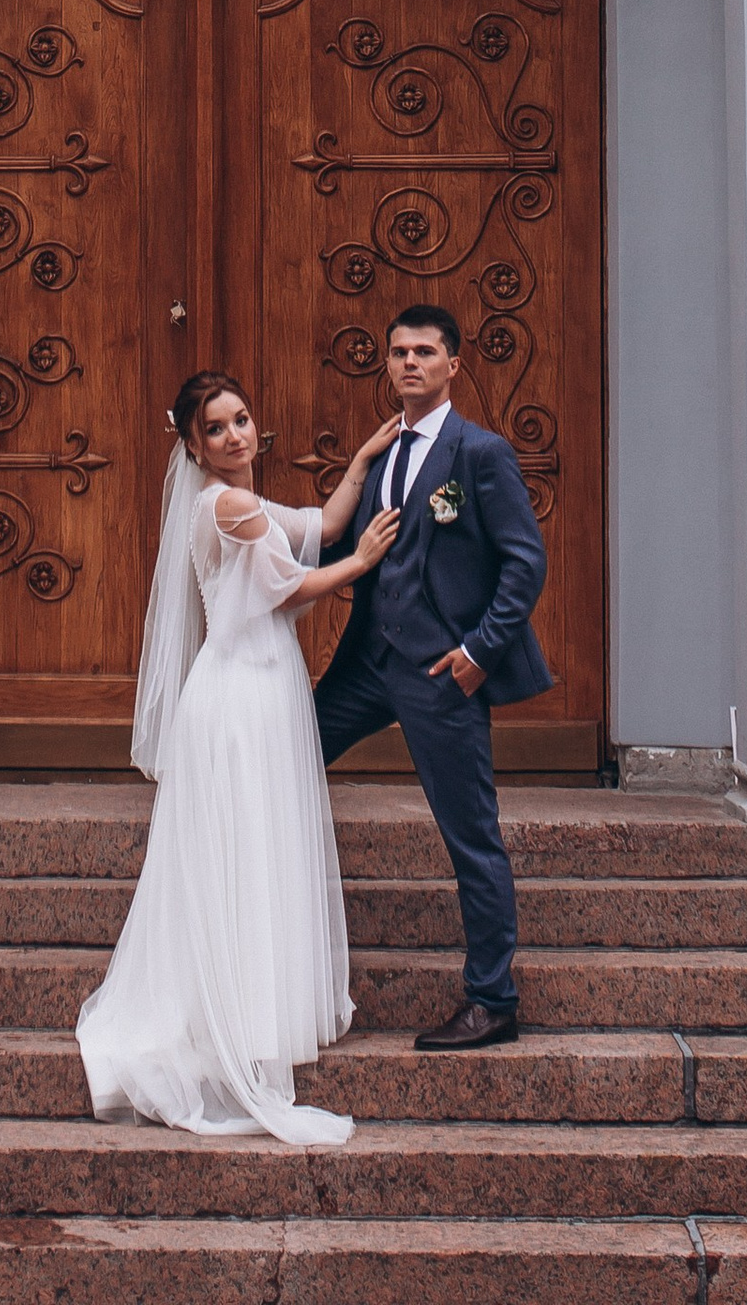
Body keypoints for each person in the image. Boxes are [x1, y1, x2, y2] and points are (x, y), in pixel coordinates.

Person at [78, 374, 401, 1143]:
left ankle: (257, 1009)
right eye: (215, 428)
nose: (234, 436)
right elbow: (291, 590)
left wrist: (361, 460)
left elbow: (316, 520)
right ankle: (233, 1016)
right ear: (192, 445)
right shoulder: (228, 505)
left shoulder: (241, 505)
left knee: (256, 849)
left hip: (262, 688)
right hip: (239, 699)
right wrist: (362, 561)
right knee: (241, 849)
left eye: (243, 420)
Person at [313, 303, 552, 1050]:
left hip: (441, 673)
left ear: (454, 365)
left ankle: (493, 1000)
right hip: (365, 665)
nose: (409, 363)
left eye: (425, 351)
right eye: (398, 352)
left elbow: (525, 561)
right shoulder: (380, 456)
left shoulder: (481, 453)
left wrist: (479, 652)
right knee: (278, 755)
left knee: (470, 833)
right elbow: (334, 550)